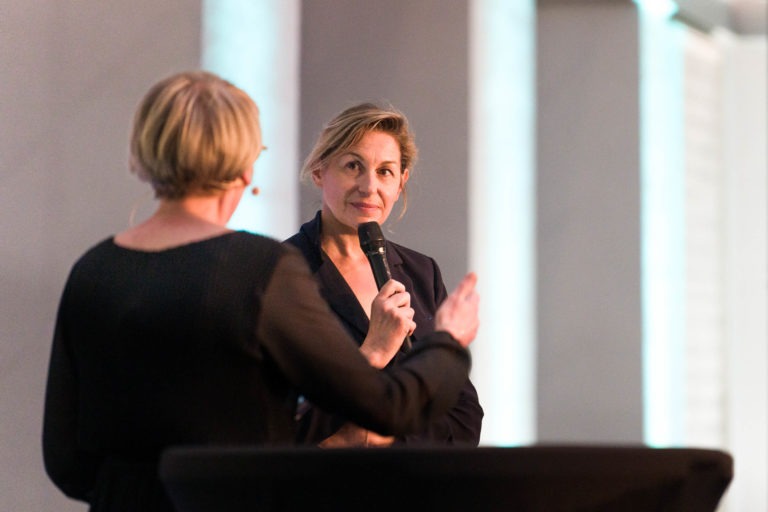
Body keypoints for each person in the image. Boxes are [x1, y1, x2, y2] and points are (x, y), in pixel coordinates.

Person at [42, 71, 480, 512]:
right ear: (245, 166)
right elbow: (386, 408)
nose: (370, 185)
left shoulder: (93, 270)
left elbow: (65, 461)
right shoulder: (262, 270)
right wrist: (448, 342)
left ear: (143, 154)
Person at [286, 102, 483, 447]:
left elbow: (464, 418)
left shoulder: (422, 273)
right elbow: (278, 420)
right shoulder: (282, 273)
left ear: (401, 182)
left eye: (385, 172)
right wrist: (373, 349)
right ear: (319, 171)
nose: (369, 186)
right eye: (352, 166)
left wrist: (383, 440)